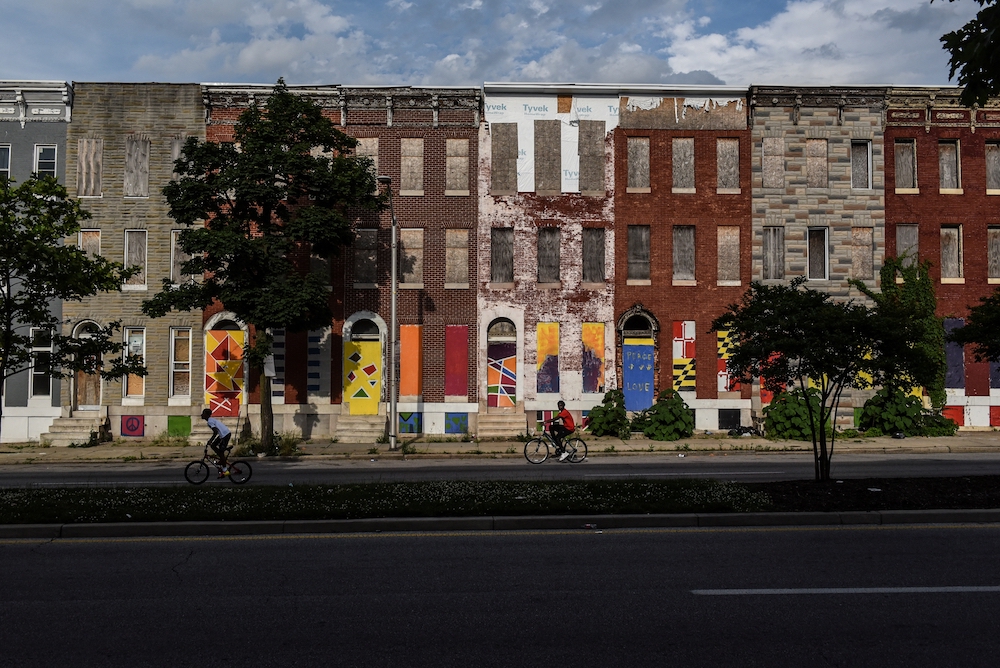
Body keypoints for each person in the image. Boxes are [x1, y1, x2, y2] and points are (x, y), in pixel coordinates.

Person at [201, 408, 232, 476]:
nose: (201, 415)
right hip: (223, 435)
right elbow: (217, 431)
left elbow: (215, 431)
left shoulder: (210, 421)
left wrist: (210, 440)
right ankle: (222, 458)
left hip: (225, 435)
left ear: (206, 415)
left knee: (220, 452)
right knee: (213, 445)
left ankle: (225, 470)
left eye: (203, 413)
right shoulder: (211, 420)